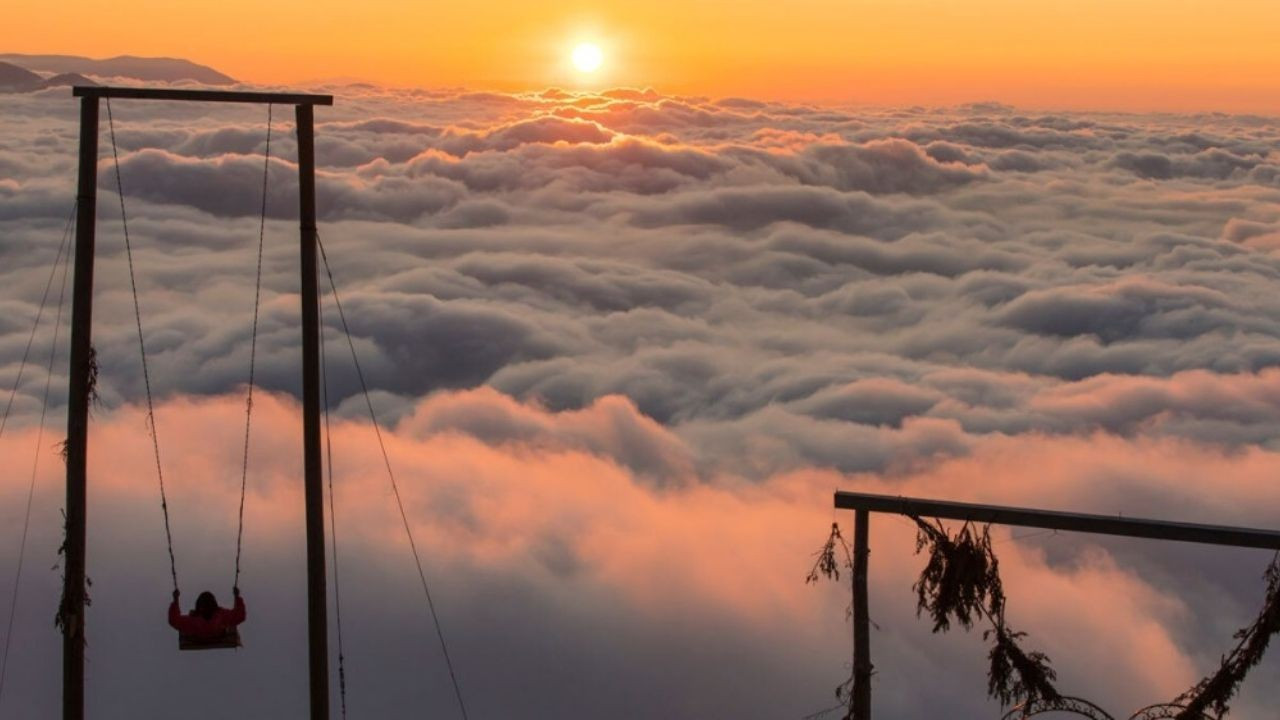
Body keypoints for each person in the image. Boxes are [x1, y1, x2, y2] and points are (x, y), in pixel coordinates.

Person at [168, 587, 246, 643]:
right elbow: (240, 615)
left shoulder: (193, 621)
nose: (206, 608)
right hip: (217, 635)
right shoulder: (221, 616)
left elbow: (174, 620)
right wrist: (237, 597)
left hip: (198, 636)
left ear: (199, 607)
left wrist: (175, 600)